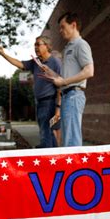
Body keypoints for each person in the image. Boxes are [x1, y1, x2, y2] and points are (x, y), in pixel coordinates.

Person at [0, 36, 61, 148]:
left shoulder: (55, 62)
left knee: (45, 132)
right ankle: (53, 156)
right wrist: (3, 54)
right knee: (47, 132)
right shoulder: (36, 62)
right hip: (39, 102)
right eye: (34, 45)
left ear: (47, 46)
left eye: (38, 44)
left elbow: (61, 84)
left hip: (49, 102)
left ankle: (47, 156)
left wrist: (58, 107)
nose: (35, 47)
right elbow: (19, 63)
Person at [42, 12, 94, 147]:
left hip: (74, 95)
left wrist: (64, 82)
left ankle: (76, 167)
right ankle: (72, 167)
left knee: (71, 139)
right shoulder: (68, 48)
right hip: (67, 96)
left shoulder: (81, 45)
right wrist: (52, 73)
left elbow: (89, 71)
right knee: (67, 138)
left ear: (74, 25)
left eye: (62, 27)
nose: (60, 31)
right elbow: (65, 77)